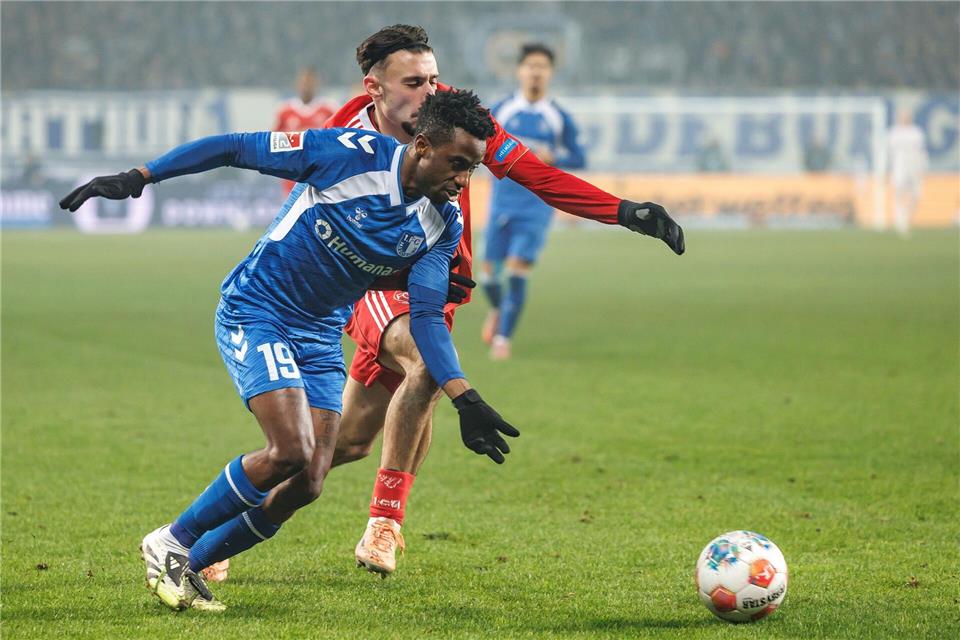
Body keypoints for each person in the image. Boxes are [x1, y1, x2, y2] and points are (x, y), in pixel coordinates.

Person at [200, 24, 684, 584]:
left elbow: (536, 175)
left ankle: (215, 534)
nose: (430, 91)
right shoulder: (345, 131)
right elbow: (305, 205)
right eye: (415, 81)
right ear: (377, 86)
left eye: (432, 78)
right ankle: (385, 522)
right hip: (372, 285)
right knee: (427, 364)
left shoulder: (457, 123)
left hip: (437, 282)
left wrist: (622, 211)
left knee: (344, 445)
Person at [59, 90, 521, 612]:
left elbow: (428, 318)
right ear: (420, 145)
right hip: (258, 309)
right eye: (457, 164)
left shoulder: (442, 225)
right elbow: (236, 146)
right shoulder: (348, 154)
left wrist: (465, 396)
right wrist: (143, 175)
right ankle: (170, 541)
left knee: (309, 480)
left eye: (473, 170)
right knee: (291, 449)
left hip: (320, 333)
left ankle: (189, 563)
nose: (463, 181)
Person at [480, 43, 587, 360]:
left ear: (550, 73)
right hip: (501, 203)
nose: (536, 72)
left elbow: (580, 157)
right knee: (487, 277)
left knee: (515, 272)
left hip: (536, 206)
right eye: (531, 65)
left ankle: (503, 339)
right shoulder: (501, 110)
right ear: (520, 71)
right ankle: (501, 310)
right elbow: (477, 144)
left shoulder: (558, 117)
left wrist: (556, 157)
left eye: (542, 66)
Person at [273, 66, 337, 195]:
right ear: (297, 84)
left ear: (316, 84)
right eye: (303, 82)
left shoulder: (329, 109)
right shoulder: (285, 111)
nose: (306, 86)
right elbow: (273, 141)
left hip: (320, 172)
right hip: (293, 173)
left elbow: (338, 138)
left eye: (310, 82)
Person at [887, 109, 928, 236]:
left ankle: (906, 218)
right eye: (902, 116)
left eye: (906, 116)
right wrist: (888, 169)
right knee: (899, 195)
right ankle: (900, 222)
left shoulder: (916, 133)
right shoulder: (893, 133)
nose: (904, 119)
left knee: (916, 195)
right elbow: (889, 153)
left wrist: (923, 167)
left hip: (914, 166)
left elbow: (922, 152)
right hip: (899, 167)